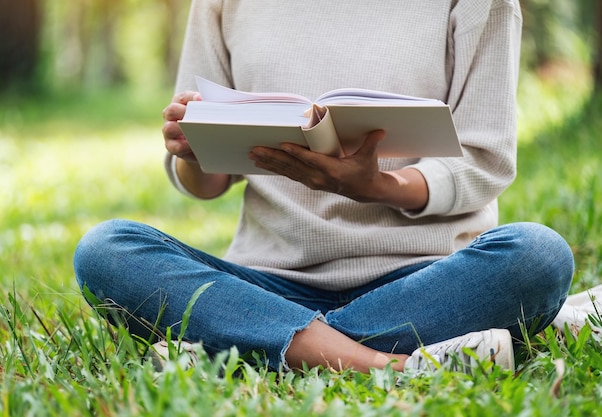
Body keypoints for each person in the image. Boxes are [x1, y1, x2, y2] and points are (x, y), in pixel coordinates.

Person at [74, 0, 575, 374]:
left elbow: (484, 162)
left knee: (538, 255)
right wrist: (192, 149)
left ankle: (240, 343)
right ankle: (391, 366)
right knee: (107, 250)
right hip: (267, 281)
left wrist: (378, 185)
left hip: (424, 279)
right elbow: (206, 183)